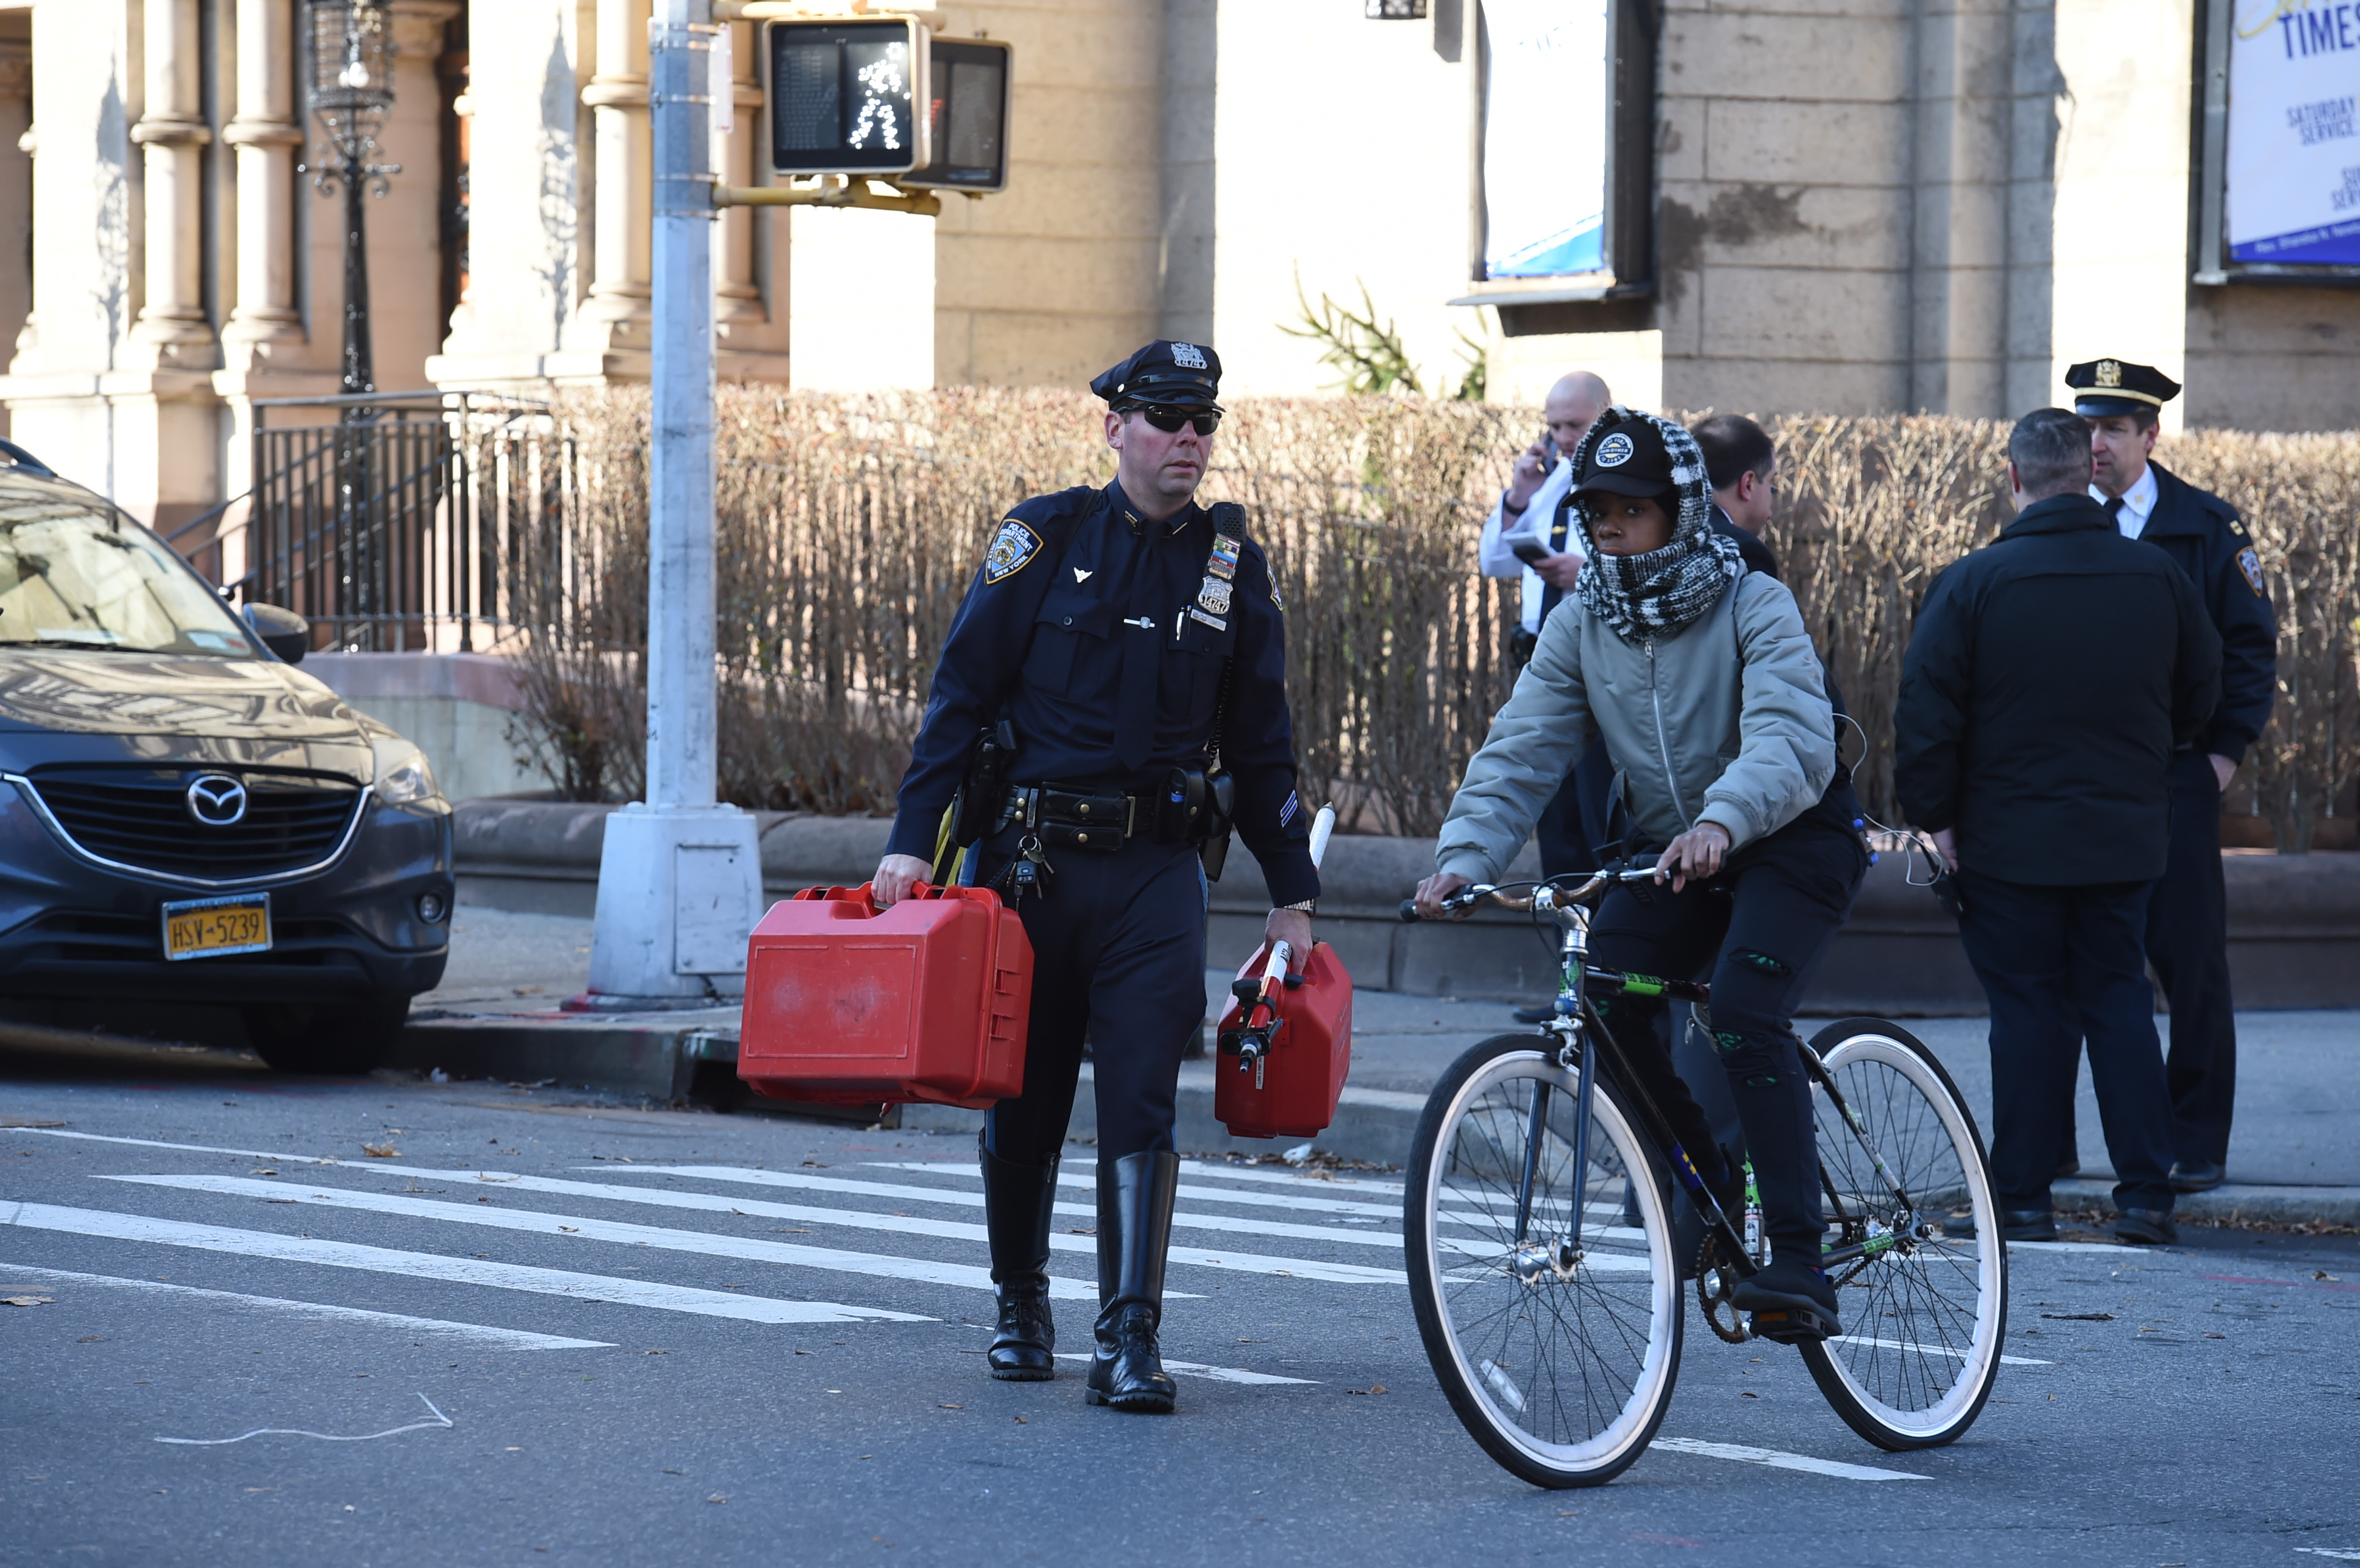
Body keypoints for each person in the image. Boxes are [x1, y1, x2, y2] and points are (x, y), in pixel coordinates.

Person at [869, 340, 1320, 1413]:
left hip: (1156, 873)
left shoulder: (1231, 567)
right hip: (1030, 872)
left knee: (1142, 1096)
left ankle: (1129, 1339)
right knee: (1024, 1094)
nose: (1188, 438)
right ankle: (1021, 1303)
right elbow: (961, 696)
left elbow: (1263, 745)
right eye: (1166, 418)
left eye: (1203, 421)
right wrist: (911, 840)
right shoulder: (1045, 537)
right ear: (1116, 428)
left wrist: (1291, 894)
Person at [1416, 407, 1866, 1343]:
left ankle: (1799, 1256)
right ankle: (1710, 1193)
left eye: (1634, 507)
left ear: (1682, 509)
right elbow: (1522, 748)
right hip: (1675, 847)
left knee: (1743, 1009)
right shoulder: (1584, 620)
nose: (1612, 524)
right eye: (1599, 509)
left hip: (1789, 835)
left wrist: (1724, 818)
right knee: (1606, 999)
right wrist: (1464, 859)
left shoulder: (1752, 599)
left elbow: (1791, 738)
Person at [1893, 407, 2221, 1246]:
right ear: (2088, 472)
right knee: (2119, 1000)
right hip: (2124, 834)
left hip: (2008, 840)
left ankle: (2022, 1197)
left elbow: (1926, 714)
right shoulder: (2157, 576)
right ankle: (2145, 1195)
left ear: (2014, 478)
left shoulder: (1973, 582)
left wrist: (1936, 819)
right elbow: (2200, 694)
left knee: (2026, 1009)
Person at [2059, 358, 2277, 1195]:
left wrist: (2224, 753)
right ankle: (2053, 1143)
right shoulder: (2059, 520)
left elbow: (2250, 647)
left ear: (2151, 435)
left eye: (2115, 429)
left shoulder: (2206, 528)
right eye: (2087, 427)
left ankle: (2196, 1141)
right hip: (2079, 776)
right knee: (2070, 957)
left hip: (2178, 771)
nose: (2097, 444)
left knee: (2190, 959)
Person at [1477, 373, 1612, 965]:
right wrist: (1519, 493)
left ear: (1604, 417)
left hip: (1596, 668)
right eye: (1554, 426)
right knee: (1556, 825)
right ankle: (1572, 979)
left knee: (1597, 821)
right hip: (1542, 663)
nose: (1561, 438)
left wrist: (1583, 573)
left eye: (1574, 425)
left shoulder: (1623, 485)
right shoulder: (1552, 480)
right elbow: (1494, 560)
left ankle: (1611, 977)